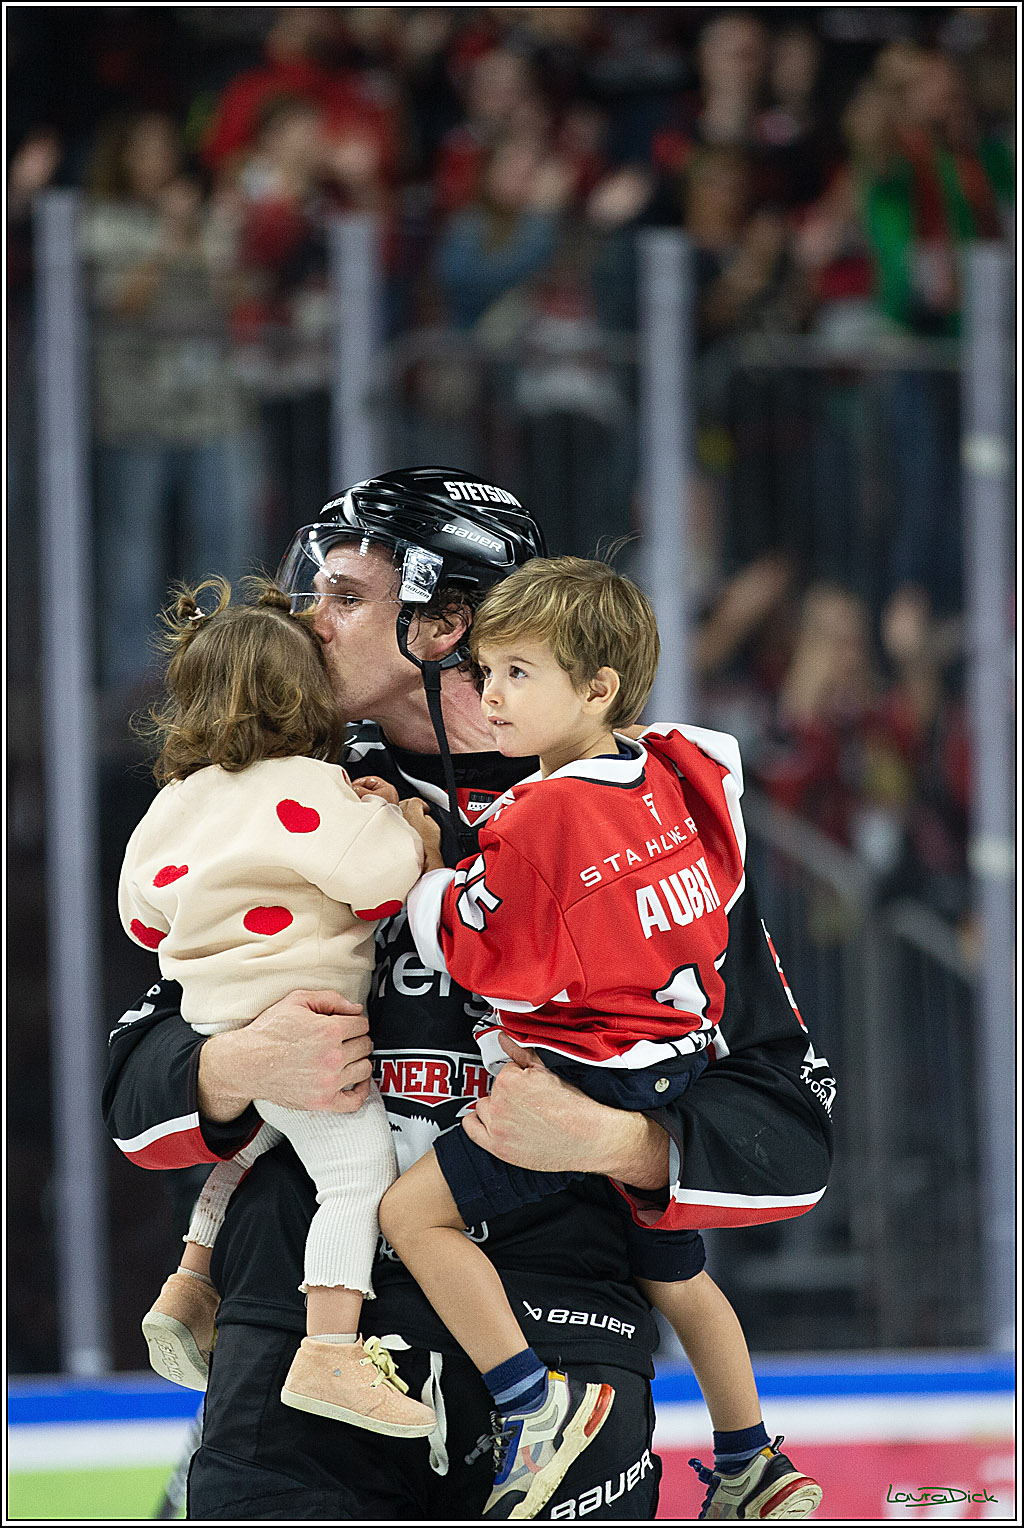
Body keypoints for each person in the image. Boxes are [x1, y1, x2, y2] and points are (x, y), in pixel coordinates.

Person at [103, 467, 834, 1521]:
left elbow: (790, 1118)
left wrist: (611, 1140)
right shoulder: (265, 787)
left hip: (563, 1340)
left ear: (445, 623)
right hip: (305, 1351)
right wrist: (231, 1067)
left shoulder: (641, 817)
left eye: (346, 597)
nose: (311, 620)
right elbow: (136, 1085)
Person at [381, 557, 823, 1519]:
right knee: (679, 1278)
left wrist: (423, 875)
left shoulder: (545, 814)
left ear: (597, 688)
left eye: (518, 674)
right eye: (486, 670)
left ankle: (527, 1405)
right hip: (671, 1068)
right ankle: (754, 1460)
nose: (490, 695)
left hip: (582, 1084)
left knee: (411, 1217)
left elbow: (491, 952)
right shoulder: (674, 769)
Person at [119, 575, 432, 1436]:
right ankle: (330, 1350)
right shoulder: (308, 786)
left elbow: (140, 914)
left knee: (252, 1142)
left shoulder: (174, 801)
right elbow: (379, 878)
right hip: (309, 1027)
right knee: (357, 1174)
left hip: (222, 1022)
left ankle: (188, 1284)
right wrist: (405, 824)